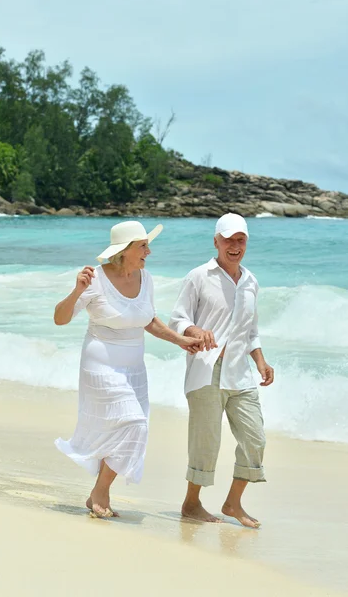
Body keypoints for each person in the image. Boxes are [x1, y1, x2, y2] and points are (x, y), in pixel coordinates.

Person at [54, 220, 201, 518]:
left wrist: (180, 340)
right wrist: (76, 290)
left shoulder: (145, 278)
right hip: (101, 365)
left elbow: (148, 319)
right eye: (143, 245)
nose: (149, 251)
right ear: (124, 251)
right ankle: (101, 491)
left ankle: (99, 491)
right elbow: (60, 318)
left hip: (134, 368)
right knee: (133, 423)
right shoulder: (94, 279)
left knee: (126, 428)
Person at [169, 213, 274, 527]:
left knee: (255, 439)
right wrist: (196, 330)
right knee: (206, 442)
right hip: (206, 369)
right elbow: (178, 320)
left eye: (240, 239)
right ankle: (191, 504)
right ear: (216, 241)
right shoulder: (199, 276)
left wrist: (261, 361)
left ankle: (232, 503)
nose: (235, 245)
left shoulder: (251, 281)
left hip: (240, 372)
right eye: (228, 239)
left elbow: (250, 331)